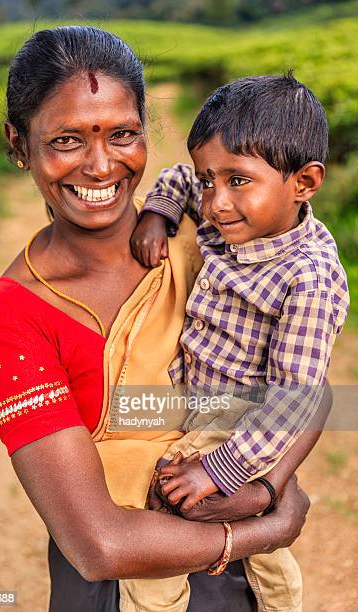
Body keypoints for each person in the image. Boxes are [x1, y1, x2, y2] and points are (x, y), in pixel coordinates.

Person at [0, 26, 313, 612]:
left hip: (238, 587)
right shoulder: (11, 317)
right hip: (110, 589)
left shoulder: (211, 239)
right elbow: (99, 542)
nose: (101, 166)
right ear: (19, 142)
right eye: (67, 140)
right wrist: (265, 525)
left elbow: (308, 389)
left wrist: (260, 486)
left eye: (123, 135)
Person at [128, 74, 350, 610]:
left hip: (238, 427)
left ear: (305, 182)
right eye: (210, 182)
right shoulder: (232, 221)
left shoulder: (307, 277)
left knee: (174, 531)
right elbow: (180, 177)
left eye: (238, 181)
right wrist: (159, 210)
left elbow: (292, 401)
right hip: (193, 405)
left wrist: (218, 468)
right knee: (254, 551)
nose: (214, 204)